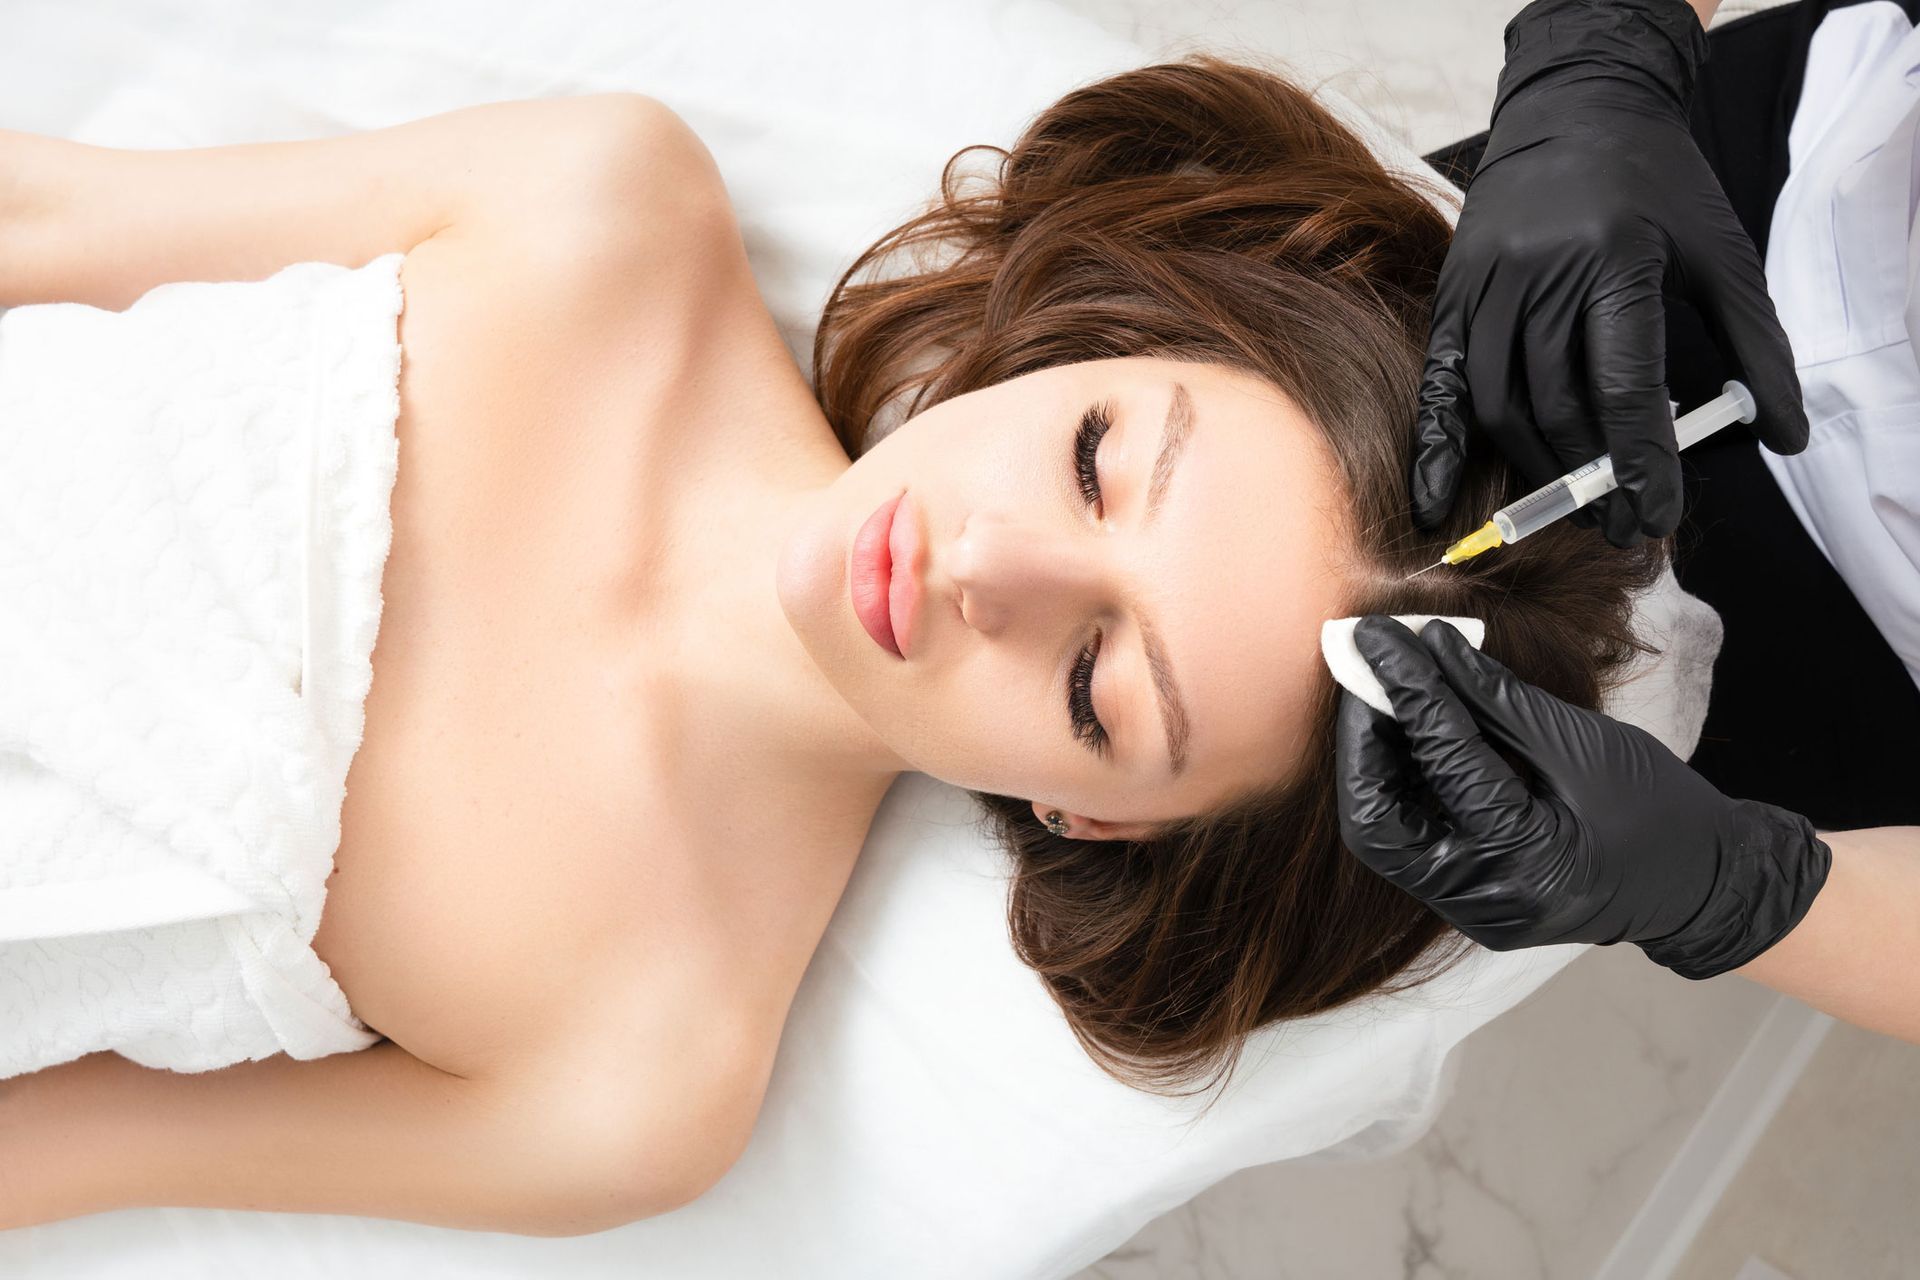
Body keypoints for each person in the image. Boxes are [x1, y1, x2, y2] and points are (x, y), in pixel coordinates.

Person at [0, 52, 1699, 1230]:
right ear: (1093, 342)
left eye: (1100, 684)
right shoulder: (601, 216)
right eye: (1098, 454)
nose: (993, 567)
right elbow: (41, 225)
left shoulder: (642, 1071)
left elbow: (57, 1150)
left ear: (1094, 815)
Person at [1343, 0, 1920, 1050]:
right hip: (1694, 195)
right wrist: (1604, 44)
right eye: (1092, 457)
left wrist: (1744, 894)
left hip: (1847, 672)